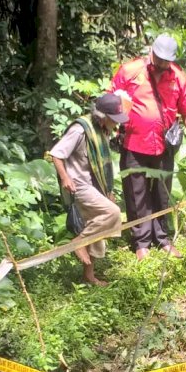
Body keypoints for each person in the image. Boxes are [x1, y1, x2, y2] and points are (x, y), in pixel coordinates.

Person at [108, 33, 186, 260]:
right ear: (151, 52)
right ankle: (141, 242)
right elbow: (110, 99)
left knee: (162, 193)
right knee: (136, 194)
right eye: (159, 58)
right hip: (133, 144)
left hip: (163, 146)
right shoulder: (131, 71)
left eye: (166, 61)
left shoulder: (178, 77)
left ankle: (162, 239)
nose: (161, 64)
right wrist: (112, 125)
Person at [50, 94, 129, 285]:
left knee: (98, 226)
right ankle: (79, 242)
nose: (116, 123)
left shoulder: (101, 130)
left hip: (94, 185)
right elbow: (56, 154)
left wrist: (108, 191)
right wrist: (65, 177)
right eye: (113, 119)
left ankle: (88, 276)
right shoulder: (80, 130)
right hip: (78, 185)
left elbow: (102, 166)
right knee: (112, 213)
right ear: (102, 116)